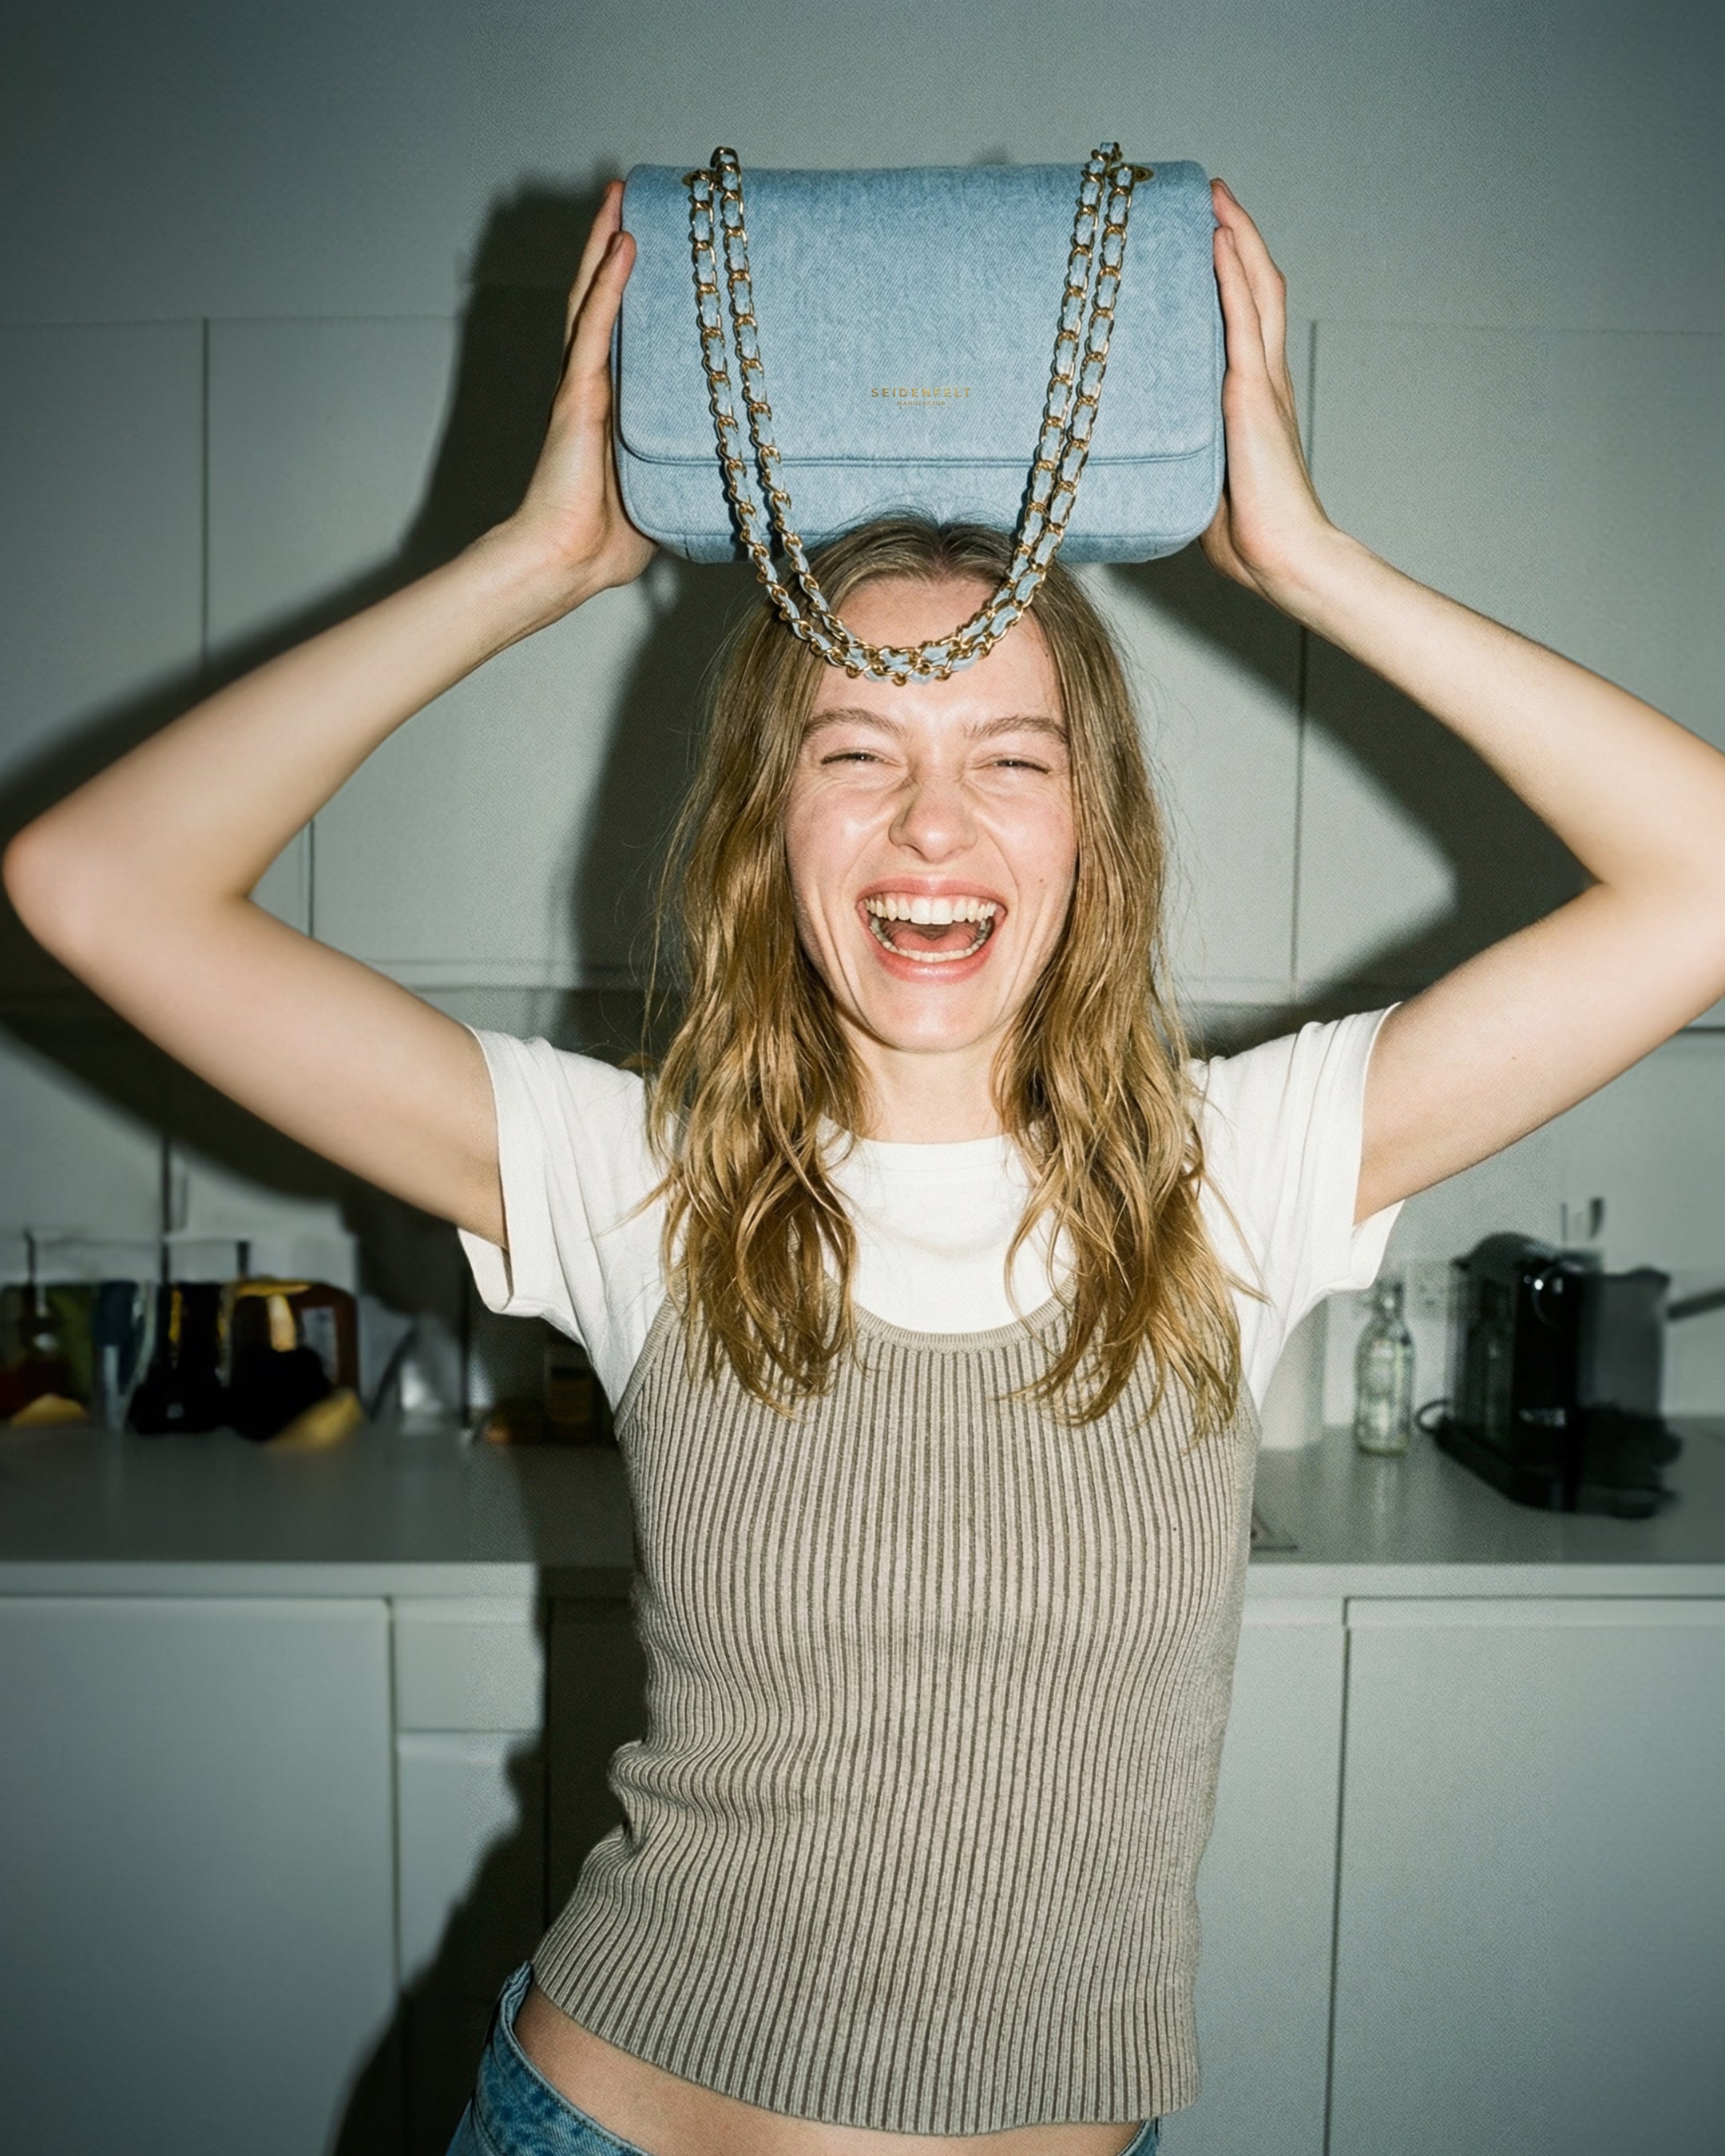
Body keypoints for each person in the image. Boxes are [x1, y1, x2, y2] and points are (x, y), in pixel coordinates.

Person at [7, 171, 1725, 2156]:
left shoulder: (1241, 1171)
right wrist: (528, 566)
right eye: (855, 753)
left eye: (1011, 757)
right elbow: (93, 885)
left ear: (1092, 834)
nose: (932, 824)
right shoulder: (632, 1175)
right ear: (770, 827)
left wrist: (1315, 566)